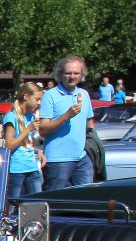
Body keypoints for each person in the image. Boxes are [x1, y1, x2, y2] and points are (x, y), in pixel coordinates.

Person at [37, 54, 95, 191]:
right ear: (60, 74)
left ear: (81, 75)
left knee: (87, 198)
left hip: (82, 158)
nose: (72, 76)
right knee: (56, 199)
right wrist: (66, 116)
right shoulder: (50, 95)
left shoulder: (84, 94)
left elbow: (89, 125)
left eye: (76, 73)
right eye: (68, 73)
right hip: (58, 160)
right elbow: (43, 130)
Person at [2, 81, 44, 201]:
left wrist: (37, 151)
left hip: (32, 168)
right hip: (16, 170)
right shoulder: (11, 117)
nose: (39, 103)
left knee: (38, 202)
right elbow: (8, 146)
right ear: (26, 96)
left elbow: (24, 144)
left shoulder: (30, 116)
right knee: (13, 203)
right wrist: (28, 129)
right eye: (37, 99)